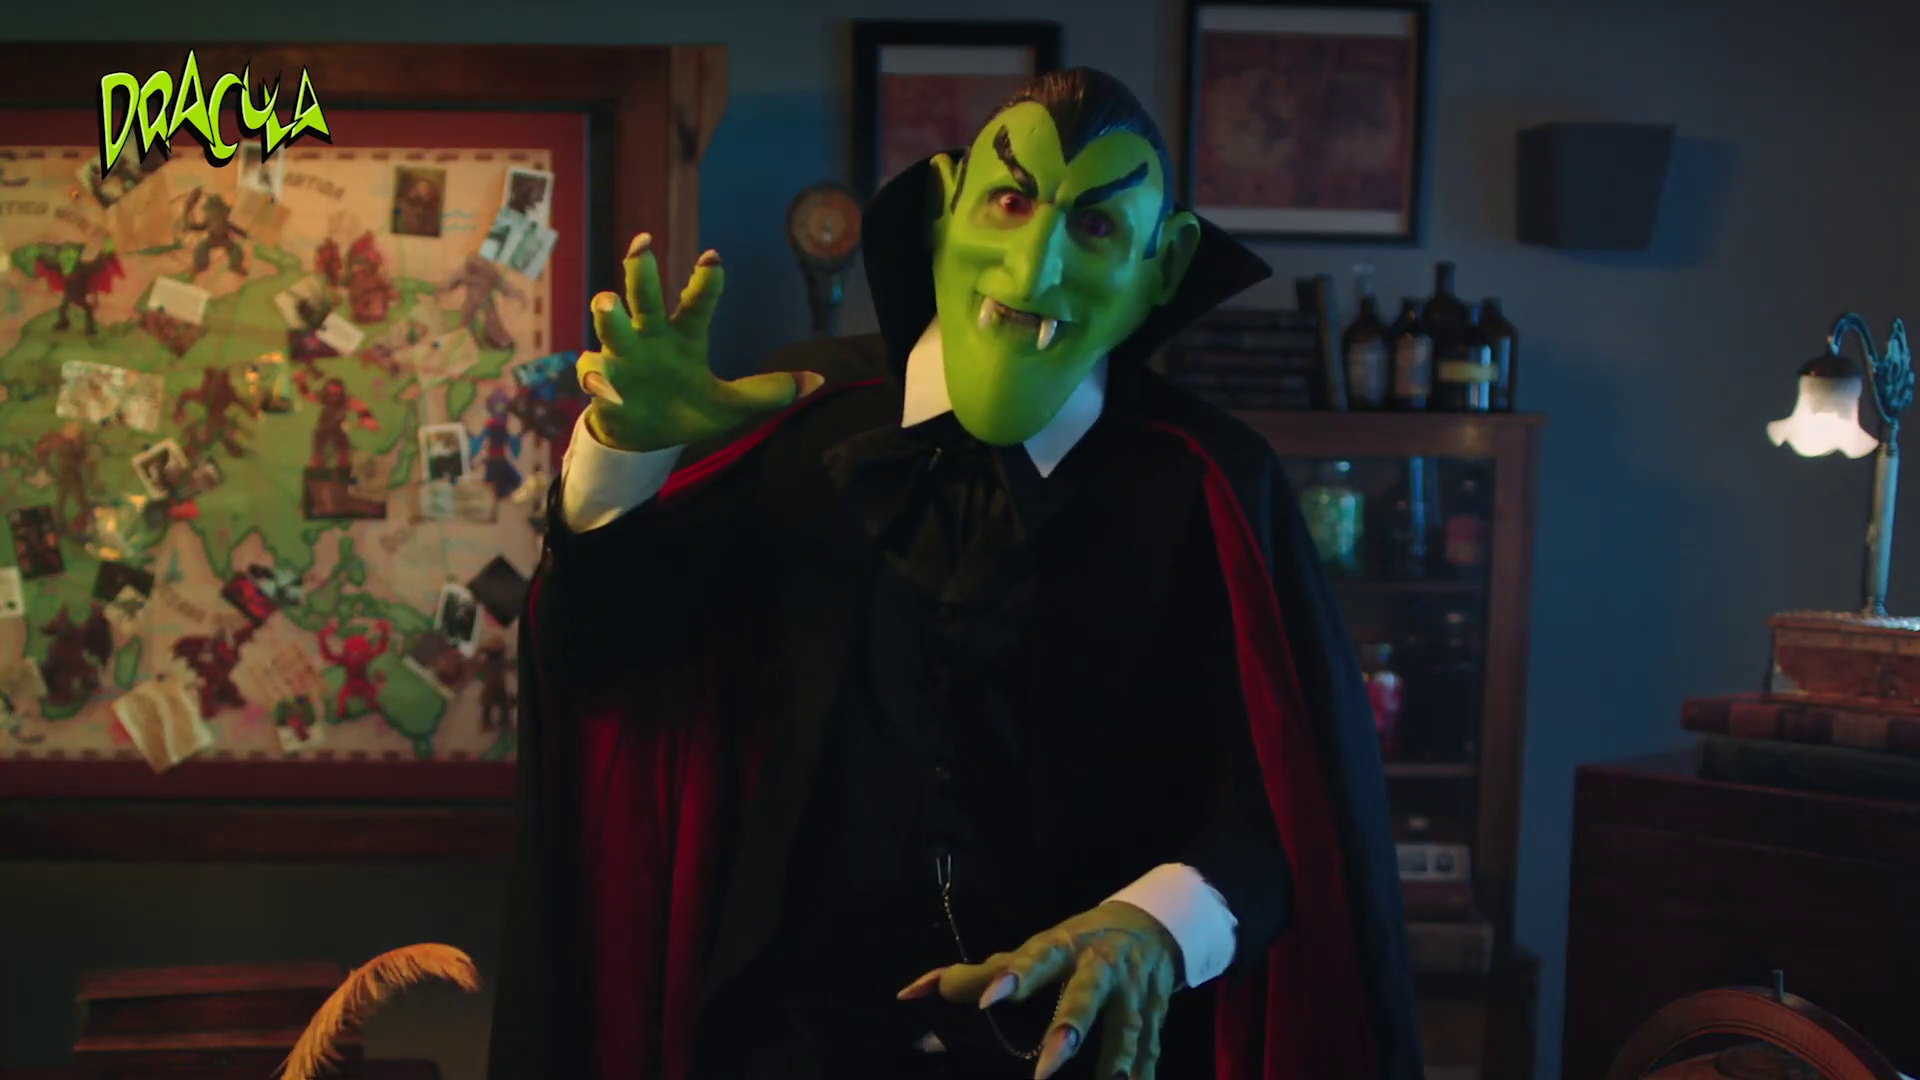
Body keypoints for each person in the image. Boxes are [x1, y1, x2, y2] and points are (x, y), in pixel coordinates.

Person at [489, 68, 1418, 1080]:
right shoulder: (805, 418)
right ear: (941, 213)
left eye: (1095, 227)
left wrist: (1155, 925)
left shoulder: (1207, 485)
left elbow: (1288, 804)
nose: (1034, 266)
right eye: (1010, 201)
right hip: (791, 1039)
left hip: (1085, 1048)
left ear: (1166, 266)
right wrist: (624, 454)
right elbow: (602, 660)